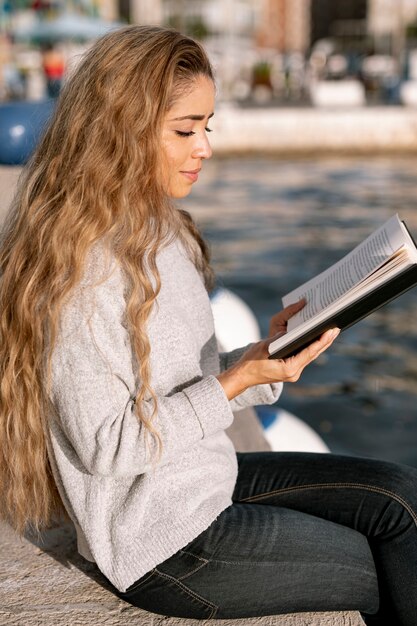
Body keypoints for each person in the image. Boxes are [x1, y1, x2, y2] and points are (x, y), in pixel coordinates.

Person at [0, 25, 416, 626]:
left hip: (203, 479)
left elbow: (174, 384)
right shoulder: (83, 266)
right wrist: (234, 383)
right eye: (185, 130)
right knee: (383, 560)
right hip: (164, 543)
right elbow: (108, 445)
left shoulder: (159, 230)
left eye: (207, 126)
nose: (205, 147)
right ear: (122, 128)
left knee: (400, 496)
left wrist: (263, 356)